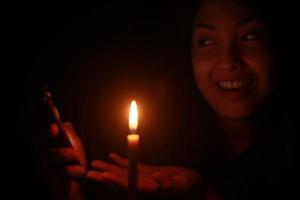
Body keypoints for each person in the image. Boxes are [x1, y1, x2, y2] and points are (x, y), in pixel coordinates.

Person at [37, 0, 296, 199]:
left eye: (249, 37)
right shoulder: (171, 156)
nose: (229, 60)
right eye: (207, 41)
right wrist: (72, 195)